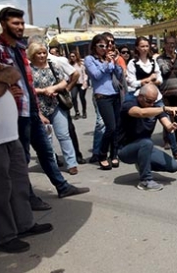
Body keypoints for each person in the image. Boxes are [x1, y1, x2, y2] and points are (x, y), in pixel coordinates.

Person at [0, 7, 89, 211]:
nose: (20, 27)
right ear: (3, 24)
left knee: (45, 150)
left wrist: (37, 110)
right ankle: (28, 198)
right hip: (14, 113)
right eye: (15, 23)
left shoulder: (19, 48)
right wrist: (6, 85)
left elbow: (26, 82)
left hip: (30, 109)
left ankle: (61, 186)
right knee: (21, 159)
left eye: (21, 23)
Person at [0, 55, 53, 253]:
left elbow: (15, 73)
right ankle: (4, 237)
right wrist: (3, 80)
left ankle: (25, 224)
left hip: (9, 134)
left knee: (19, 182)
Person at [116, 84, 177, 191]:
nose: (151, 104)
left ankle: (143, 165)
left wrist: (174, 125)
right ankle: (145, 180)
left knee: (173, 166)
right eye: (149, 101)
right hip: (125, 150)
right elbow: (140, 113)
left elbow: (168, 127)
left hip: (145, 148)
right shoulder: (129, 104)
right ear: (140, 96)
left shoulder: (155, 107)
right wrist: (164, 108)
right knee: (146, 142)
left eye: (154, 101)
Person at [28, 42, 79, 175]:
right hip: (39, 107)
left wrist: (54, 88)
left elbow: (63, 81)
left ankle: (71, 163)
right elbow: (28, 88)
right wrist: (43, 91)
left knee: (64, 135)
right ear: (33, 54)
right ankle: (52, 165)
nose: (42, 55)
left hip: (56, 104)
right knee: (46, 138)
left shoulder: (53, 65)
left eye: (44, 52)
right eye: (39, 53)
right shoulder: (28, 69)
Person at [85, 33, 124, 170]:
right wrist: (107, 63)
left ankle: (114, 154)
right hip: (102, 96)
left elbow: (119, 75)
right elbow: (96, 75)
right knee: (110, 127)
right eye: (101, 46)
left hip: (115, 94)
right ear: (94, 46)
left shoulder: (109, 59)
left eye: (106, 46)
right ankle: (101, 154)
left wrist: (116, 61)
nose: (104, 48)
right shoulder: (90, 60)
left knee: (117, 127)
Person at [69, 51, 88, 119]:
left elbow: (85, 74)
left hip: (82, 83)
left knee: (82, 97)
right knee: (73, 97)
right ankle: (77, 112)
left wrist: (85, 82)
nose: (72, 58)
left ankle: (84, 111)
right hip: (74, 84)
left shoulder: (81, 64)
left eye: (73, 56)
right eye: (71, 56)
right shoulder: (69, 65)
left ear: (76, 56)